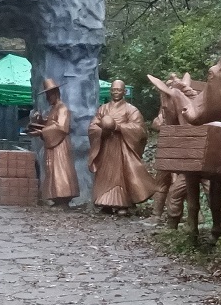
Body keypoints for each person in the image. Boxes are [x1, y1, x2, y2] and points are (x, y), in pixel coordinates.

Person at [87, 79, 157, 213]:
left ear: (124, 92)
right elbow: (92, 127)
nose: (116, 92)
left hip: (121, 147)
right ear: (110, 91)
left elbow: (139, 129)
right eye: (113, 90)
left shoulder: (131, 110)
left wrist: (118, 127)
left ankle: (123, 203)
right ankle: (105, 203)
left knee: (121, 175)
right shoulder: (103, 109)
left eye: (119, 90)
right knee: (105, 174)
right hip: (106, 146)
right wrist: (102, 131)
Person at [27, 78, 80, 209]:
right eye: (46, 94)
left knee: (61, 170)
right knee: (53, 170)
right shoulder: (54, 108)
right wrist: (40, 121)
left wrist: (42, 132)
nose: (47, 97)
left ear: (56, 93)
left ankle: (64, 199)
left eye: (49, 94)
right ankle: (57, 198)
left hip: (60, 144)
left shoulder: (62, 108)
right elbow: (52, 123)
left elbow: (61, 127)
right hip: (53, 144)